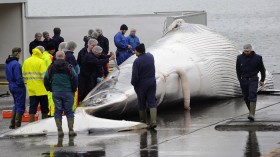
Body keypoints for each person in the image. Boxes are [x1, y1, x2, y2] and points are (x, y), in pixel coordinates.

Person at [44, 51, 78, 137]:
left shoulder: (51, 67)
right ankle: (71, 130)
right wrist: (73, 89)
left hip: (56, 92)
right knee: (69, 111)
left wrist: (50, 89)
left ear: (56, 57)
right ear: (64, 57)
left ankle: (60, 131)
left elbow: (46, 79)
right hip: (68, 92)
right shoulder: (69, 67)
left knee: (58, 110)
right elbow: (74, 78)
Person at [236, 44, 266, 121]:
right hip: (243, 80)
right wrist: (240, 80)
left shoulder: (258, 58)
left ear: (251, 50)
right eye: (245, 51)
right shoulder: (239, 58)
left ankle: (252, 114)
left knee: (252, 94)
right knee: (246, 97)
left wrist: (262, 79)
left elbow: (262, 69)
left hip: (253, 79)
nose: (246, 52)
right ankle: (251, 111)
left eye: (248, 51)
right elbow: (238, 70)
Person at [131, 43, 157, 129]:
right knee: (152, 101)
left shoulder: (137, 61)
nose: (134, 52)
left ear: (138, 51)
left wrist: (133, 83)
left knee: (142, 102)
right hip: (152, 82)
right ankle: (153, 122)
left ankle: (143, 122)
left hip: (142, 84)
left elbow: (135, 76)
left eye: (135, 50)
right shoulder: (150, 57)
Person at [22, 48, 49, 121]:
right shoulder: (41, 62)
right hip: (42, 89)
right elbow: (44, 76)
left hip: (31, 89)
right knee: (44, 108)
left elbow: (24, 75)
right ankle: (44, 123)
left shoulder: (26, 61)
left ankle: (31, 123)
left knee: (32, 107)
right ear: (41, 52)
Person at [5, 47, 26, 129]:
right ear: (17, 53)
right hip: (18, 87)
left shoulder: (8, 63)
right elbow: (18, 77)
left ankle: (12, 124)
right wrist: (21, 84)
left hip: (11, 85)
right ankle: (18, 125)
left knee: (16, 104)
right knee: (20, 105)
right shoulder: (16, 64)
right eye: (20, 53)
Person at [42, 43, 56, 117]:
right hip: (49, 79)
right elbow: (51, 69)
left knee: (45, 98)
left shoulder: (42, 55)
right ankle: (51, 113)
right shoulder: (50, 57)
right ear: (52, 49)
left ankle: (47, 112)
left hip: (42, 80)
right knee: (50, 98)